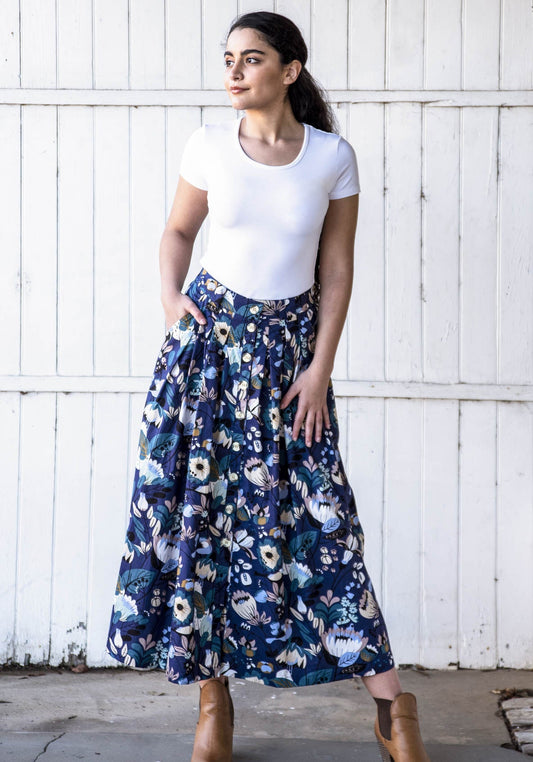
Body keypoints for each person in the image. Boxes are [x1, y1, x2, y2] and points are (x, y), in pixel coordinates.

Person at [105, 10, 431, 762]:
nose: (233, 71)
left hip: (290, 365)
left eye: (251, 59)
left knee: (325, 527)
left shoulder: (330, 157)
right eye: (227, 58)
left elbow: (337, 269)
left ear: (289, 70)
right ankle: (211, 703)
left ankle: (392, 709)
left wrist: (319, 370)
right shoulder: (208, 145)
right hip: (207, 353)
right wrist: (171, 303)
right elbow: (177, 232)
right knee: (202, 522)